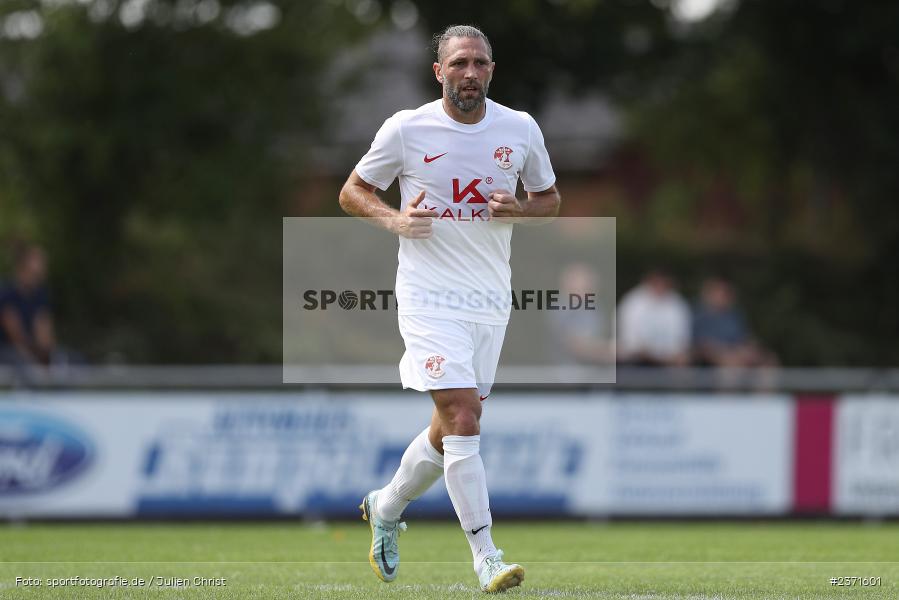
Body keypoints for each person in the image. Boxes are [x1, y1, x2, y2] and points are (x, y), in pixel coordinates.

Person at [338, 25, 560, 593]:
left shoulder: (520, 128)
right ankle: (486, 555)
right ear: (439, 71)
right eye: (459, 62)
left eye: (480, 63)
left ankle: (385, 506)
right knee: (465, 416)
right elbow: (352, 191)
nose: (470, 72)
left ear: (491, 69)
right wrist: (393, 220)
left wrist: (521, 211)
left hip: (489, 300)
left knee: (449, 429)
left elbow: (549, 199)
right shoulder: (407, 128)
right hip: (427, 298)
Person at [692, 276, 777, 367]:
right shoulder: (701, 316)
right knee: (732, 365)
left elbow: (747, 337)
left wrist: (752, 349)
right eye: (720, 293)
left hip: (739, 353)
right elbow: (702, 344)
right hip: (717, 358)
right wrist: (726, 353)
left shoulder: (735, 315)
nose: (724, 296)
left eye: (726, 293)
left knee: (769, 360)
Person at [617, 270, 691, 366]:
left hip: (670, 361)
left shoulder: (678, 304)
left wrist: (669, 356)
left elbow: (681, 340)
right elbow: (629, 340)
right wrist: (651, 354)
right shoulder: (632, 302)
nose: (660, 286)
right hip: (636, 359)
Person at [0, 243, 56, 368]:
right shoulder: (7, 292)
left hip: (32, 351)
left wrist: (47, 355)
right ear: (25, 264)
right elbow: (15, 335)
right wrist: (34, 358)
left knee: (69, 360)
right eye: (38, 260)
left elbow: (44, 329)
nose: (43, 265)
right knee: (26, 366)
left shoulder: (41, 294)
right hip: (7, 351)